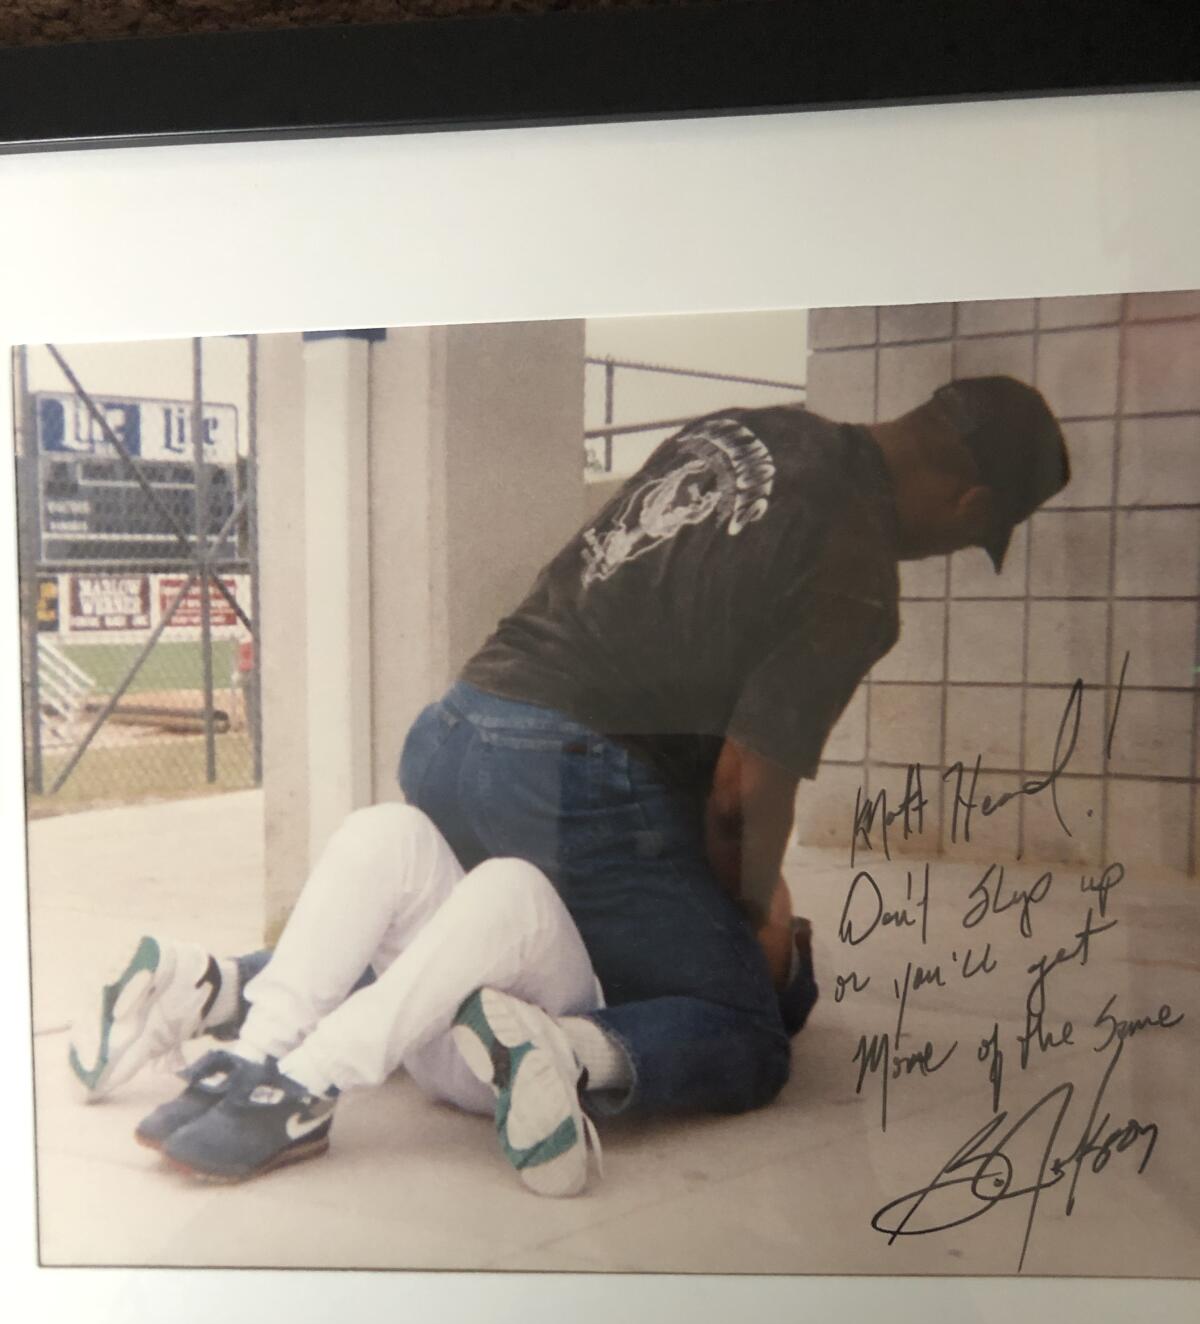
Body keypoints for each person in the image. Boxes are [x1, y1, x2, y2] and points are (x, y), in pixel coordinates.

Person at [78, 373, 1068, 1195]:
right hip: (567, 779)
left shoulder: (742, 430)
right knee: (749, 1024)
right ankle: (557, 1051)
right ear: (971, 509)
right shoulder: (856, 567)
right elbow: (740, 789)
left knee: (448, 910)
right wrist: (757, 911)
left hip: (455, 727)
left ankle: (228, 1001)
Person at [70, 805, 816, 1195]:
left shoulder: (735, 917)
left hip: (553, 1016)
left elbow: (762, 959)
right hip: (440, 1025)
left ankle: (306, 1082)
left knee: (513, 887)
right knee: (388, 831)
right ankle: (258, 1053)